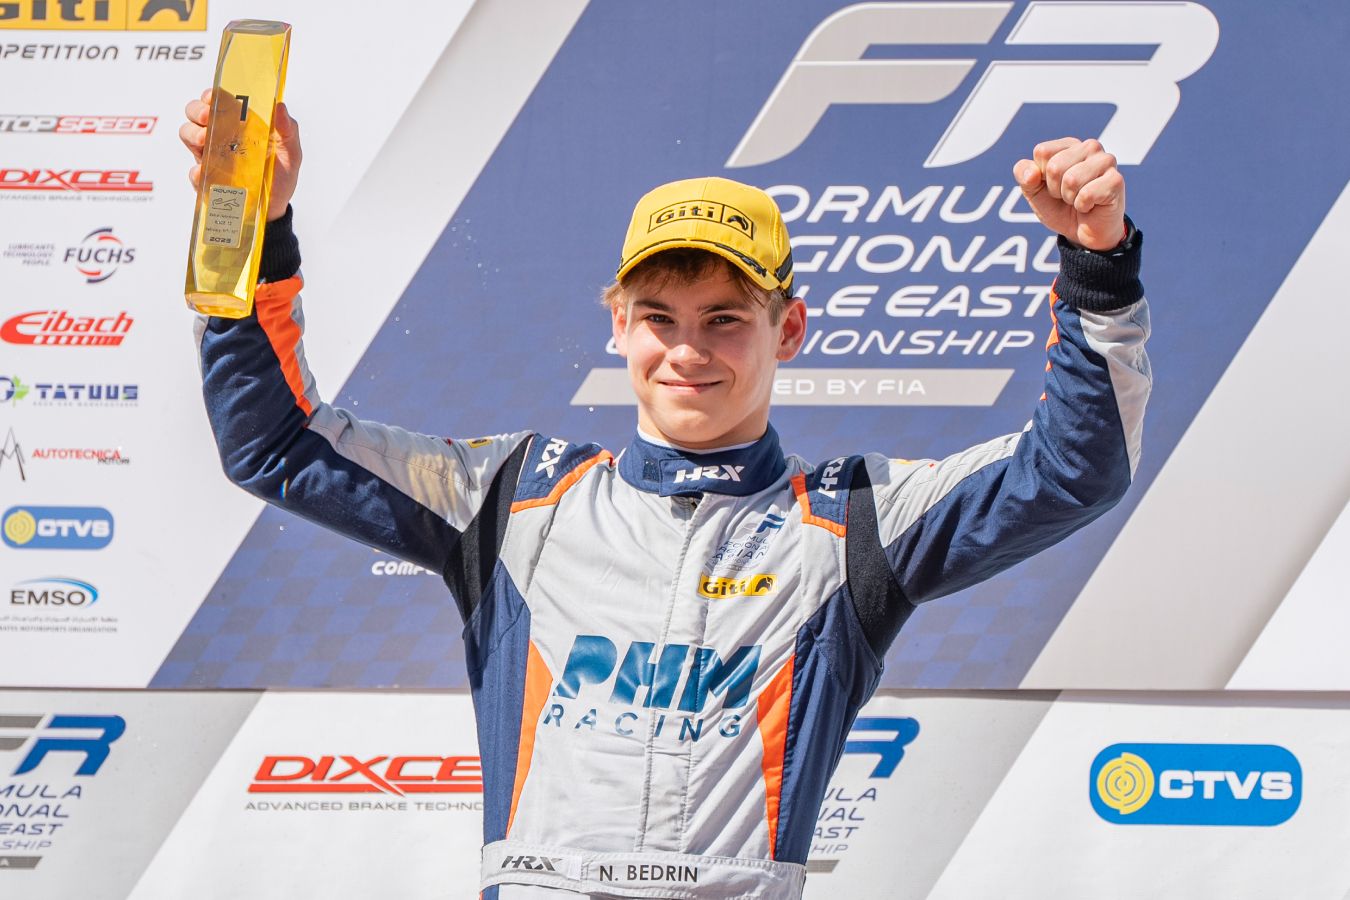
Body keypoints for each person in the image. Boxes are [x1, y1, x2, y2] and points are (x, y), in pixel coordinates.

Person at [180, 90, 1149, 899]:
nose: (688, 350)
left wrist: (1096, 268)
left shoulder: (857, 518)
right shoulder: (512, 496)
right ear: (618, 324)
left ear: (789, 329)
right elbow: (275, 444)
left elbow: (1073, 469)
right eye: (659, 317)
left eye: (725, 319)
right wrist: (250, 234)